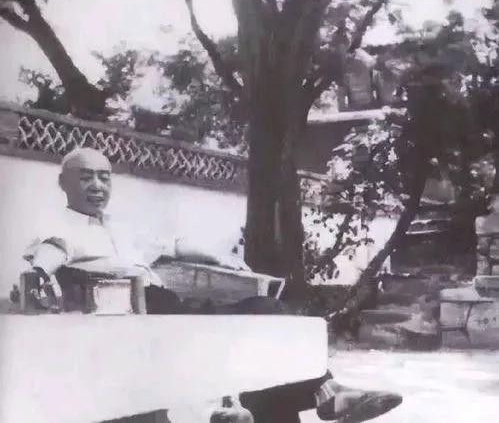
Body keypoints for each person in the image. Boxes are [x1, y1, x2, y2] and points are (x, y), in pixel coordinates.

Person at [23, 147, 401, 422]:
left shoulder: (123, 226)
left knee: (266, 311)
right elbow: (51, 252)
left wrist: (219, 258)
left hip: (167, 306)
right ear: (63, 183)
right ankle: (225, 408)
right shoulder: (59, 226)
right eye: (85, 176)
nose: (97, 185)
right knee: (217, 341)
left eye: (104, 176)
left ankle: (326, 392)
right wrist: (39, 274)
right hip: (125, 317)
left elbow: (173, 246)